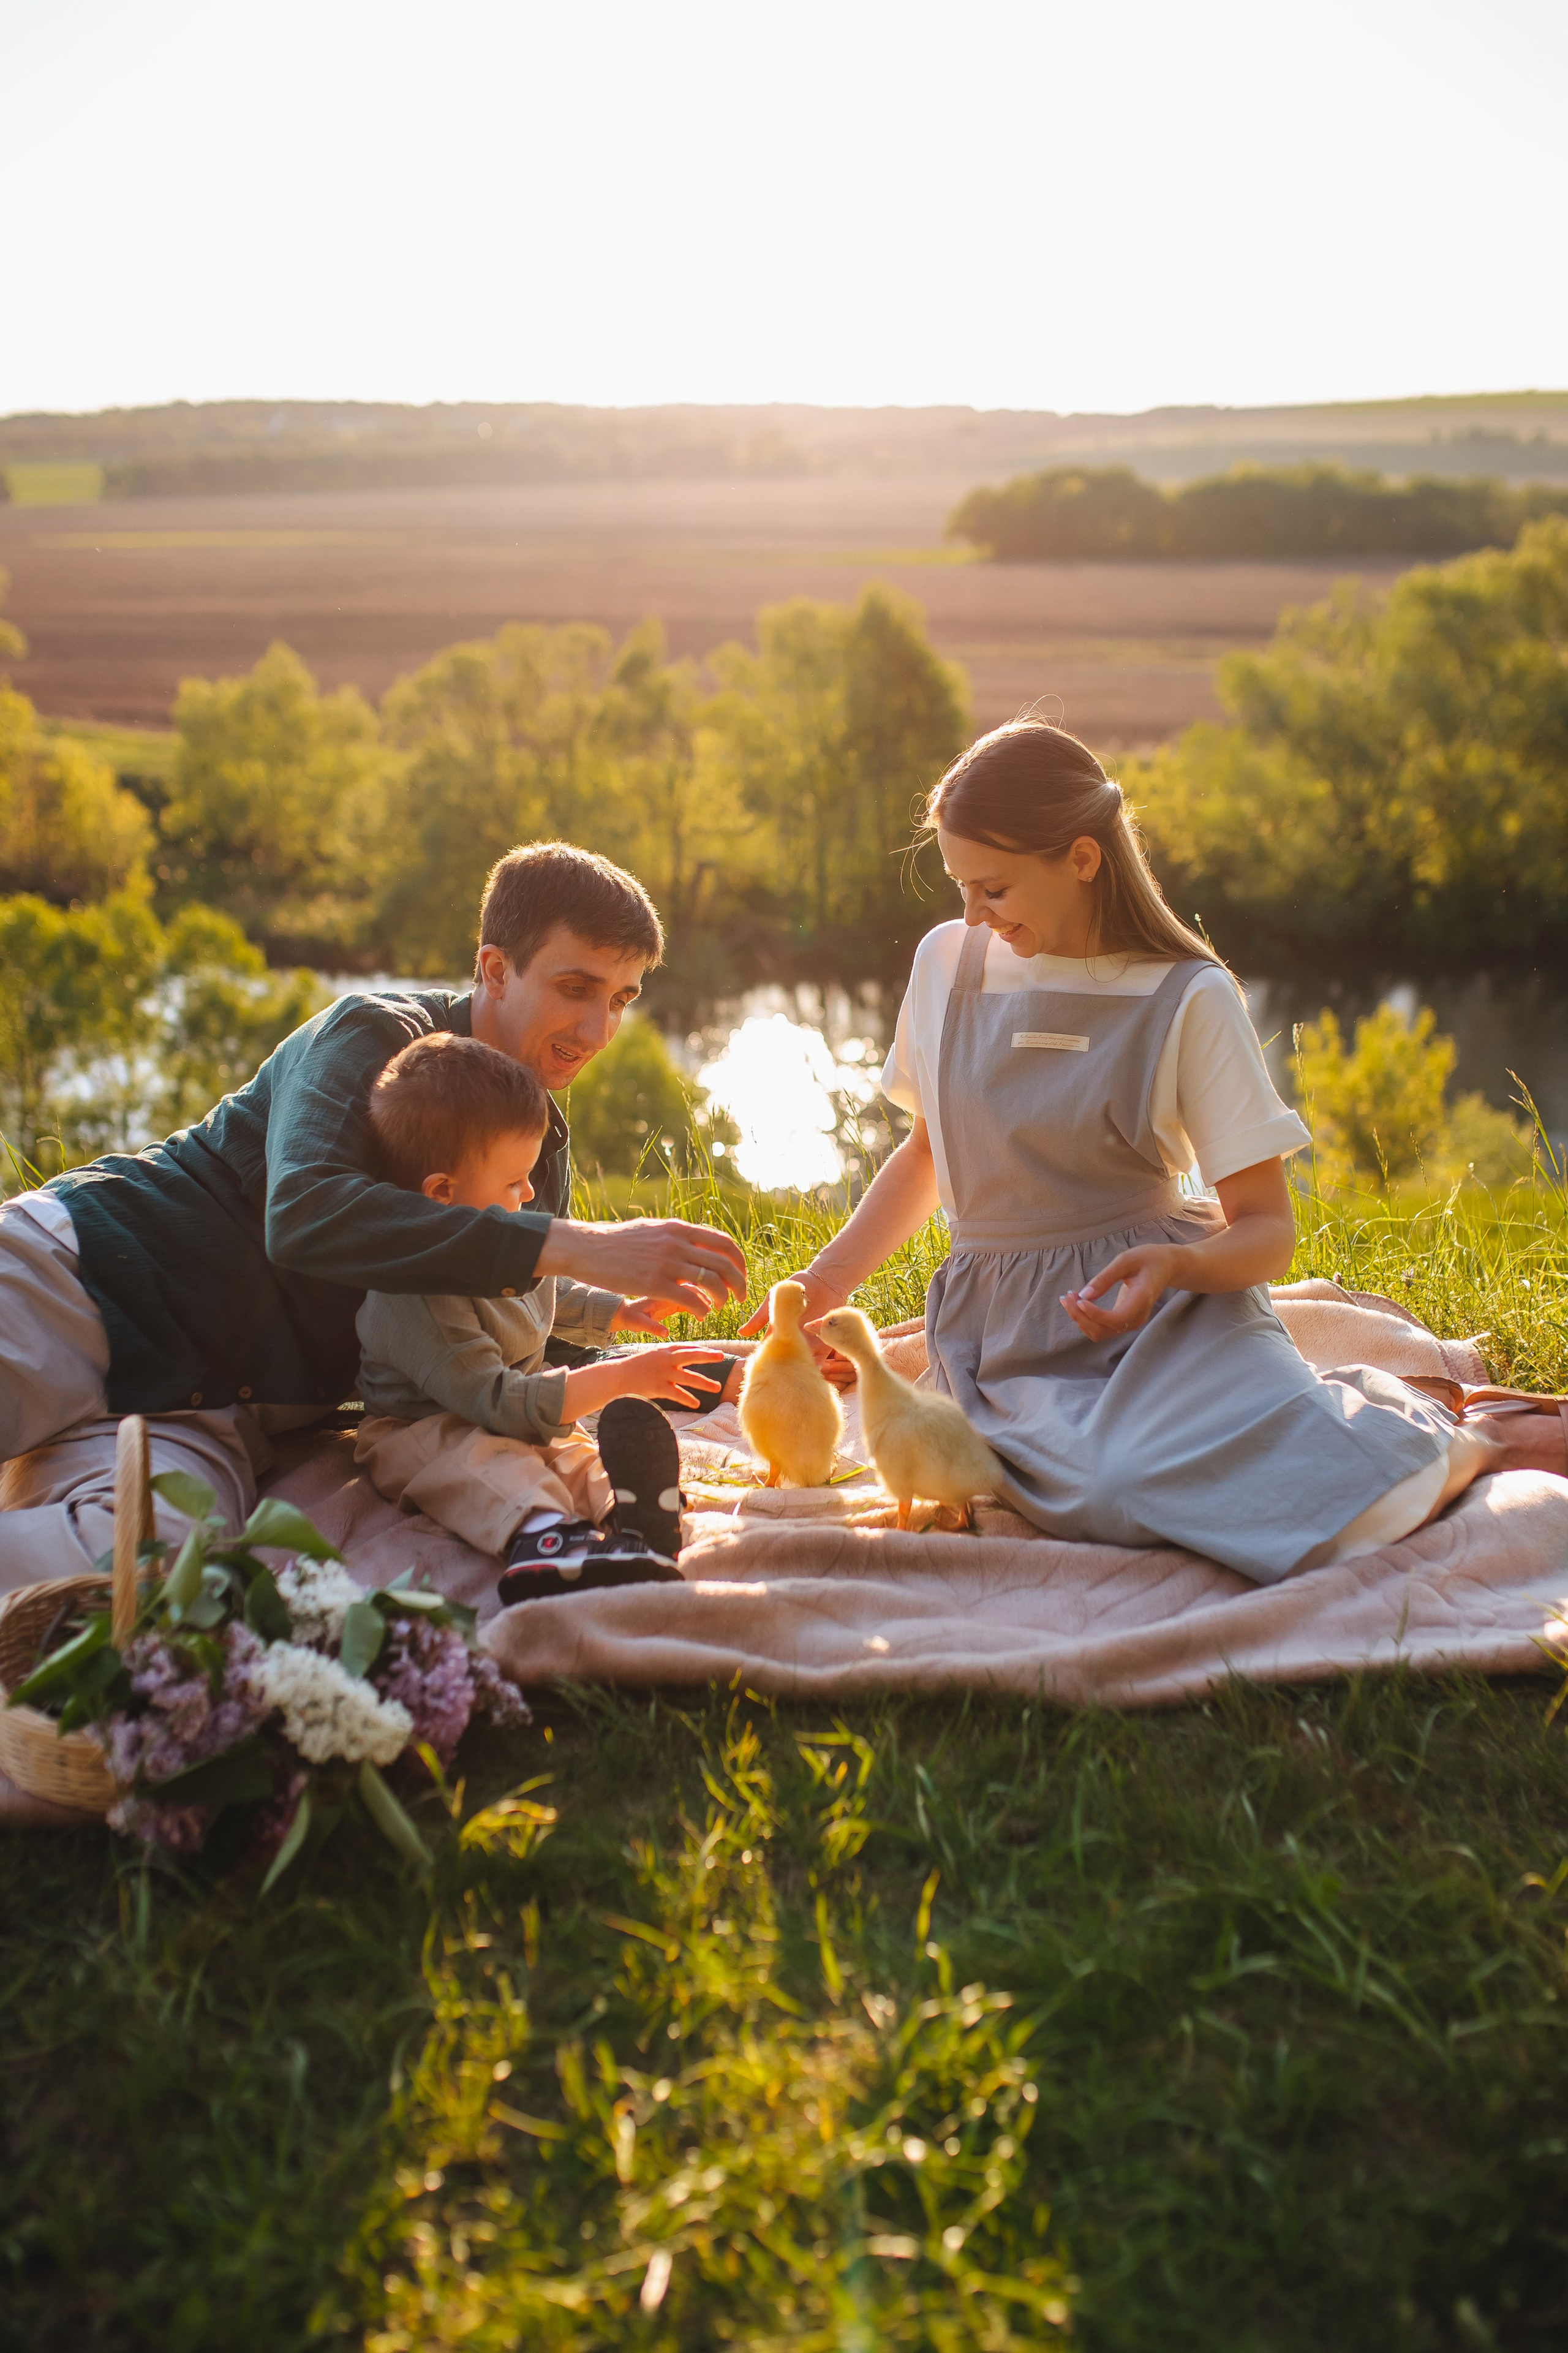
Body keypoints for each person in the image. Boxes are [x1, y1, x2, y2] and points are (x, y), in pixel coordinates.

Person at [750, 719, 1499, 1585]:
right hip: (997, 1330)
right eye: (961, 888)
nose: (973, 916)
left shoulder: (1189, 995)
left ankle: (1448, 1432)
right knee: (1037, 1486)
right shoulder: (947, 963)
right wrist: (827, 1282)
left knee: (1137, 1488)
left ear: (1080, 857)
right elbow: (927, 1152)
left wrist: (1170, 1273)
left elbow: (1265, 1232)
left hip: (1160, 1315)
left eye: (993, 888)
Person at [0, 842, 746, 1589]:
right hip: (83, 1279)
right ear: (494, 969)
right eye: (577, 987)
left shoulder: (540, 1143)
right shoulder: (375, 1035)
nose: (597, 1030)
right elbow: (304, 1213)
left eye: (621, 998)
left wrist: (728, 1371)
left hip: (202, 1410)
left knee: (148, 1572)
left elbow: (504, 1340)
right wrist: (574, 1244)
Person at [353, 1030, 736, 1593]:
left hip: (514, 1410)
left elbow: (543, 1297)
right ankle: (545, 1539)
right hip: (424, 1425)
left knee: (574, 1453)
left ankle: (633, 1513)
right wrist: (621, 1377)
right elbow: (497, 1403)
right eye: (512, 1181)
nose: (530, 1193)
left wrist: (619, 1312)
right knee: (487, 1467)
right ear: (441, 1192)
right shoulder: (414, 1295)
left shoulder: (495, 1244)